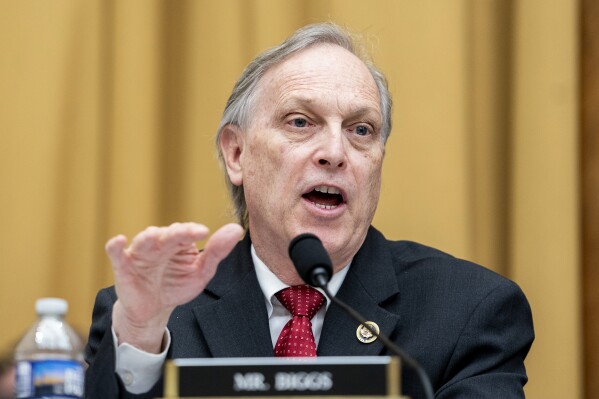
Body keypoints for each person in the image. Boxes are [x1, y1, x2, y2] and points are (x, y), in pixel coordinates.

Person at [84, 22, 534, 399]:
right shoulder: (153, 316)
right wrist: (141, 330)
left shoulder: (469, 311)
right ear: (237, 153)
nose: (335, 152)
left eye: (361, 129)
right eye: (301, 122)